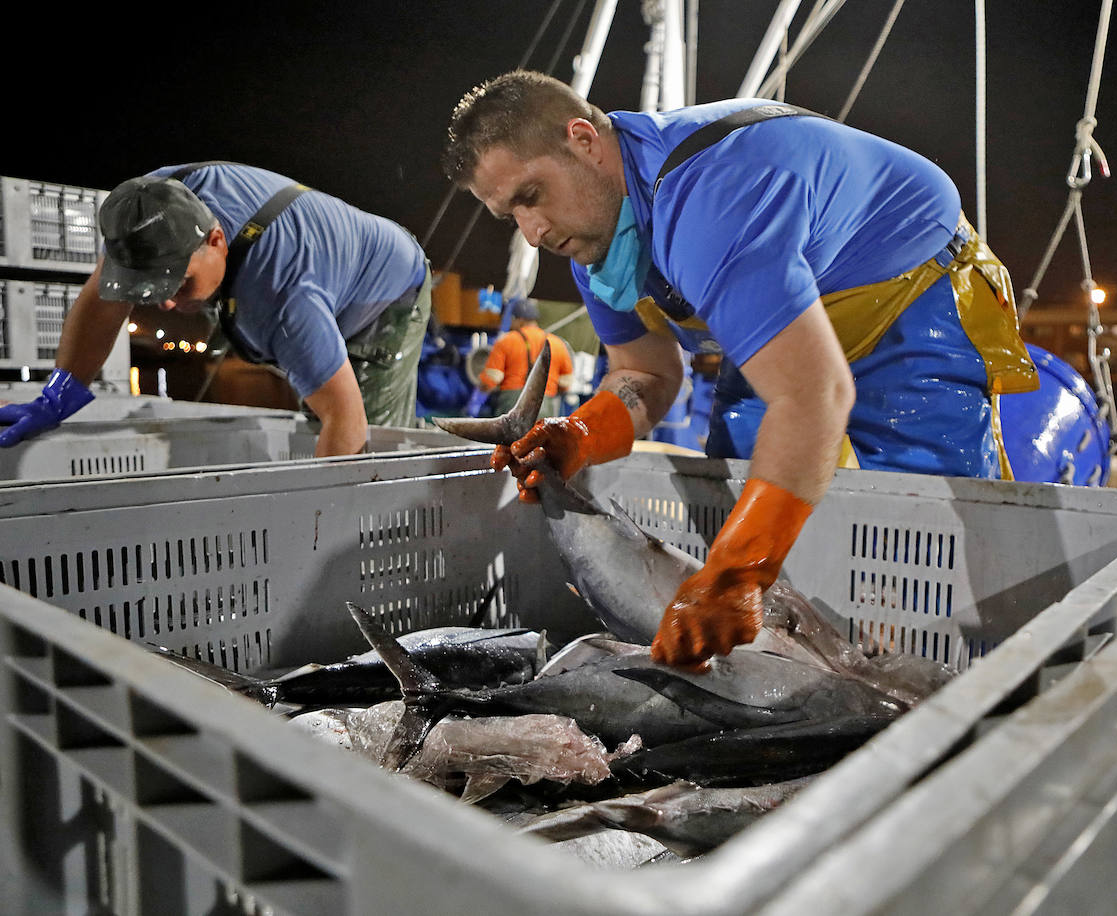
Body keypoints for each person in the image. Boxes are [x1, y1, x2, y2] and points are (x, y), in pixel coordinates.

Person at [442, 70, 1039, 670]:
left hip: (911, 296)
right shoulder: (598, 245)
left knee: (927, 541)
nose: (533, 232)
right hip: (788, 343)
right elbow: (647, 375)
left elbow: (812, 397)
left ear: (583, 139)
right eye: (509, 216)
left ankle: (955, 694)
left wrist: (736, 576)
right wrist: (581, 433)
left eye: (530, 195)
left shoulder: (711, 197)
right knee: (741, 502)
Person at [0, 162, 431, 457]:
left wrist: (315, 529)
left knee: (373, 440)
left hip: (386, 293)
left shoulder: (283, 294)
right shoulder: (141, 210)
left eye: (178, 283)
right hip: (299, 278)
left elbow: (346, 418)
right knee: (317, 405)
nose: (166, 302)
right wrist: (55, 399)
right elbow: (102, 302)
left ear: (216, 241)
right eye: (149, 288)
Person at [477, 298, 575, 418]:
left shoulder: (506, 341)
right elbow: (566, 383)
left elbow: (491, 380)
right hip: (544, 407)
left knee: (511, 436)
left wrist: (481, 390)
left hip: (511, 406)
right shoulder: (557, 344)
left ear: (519, 320)